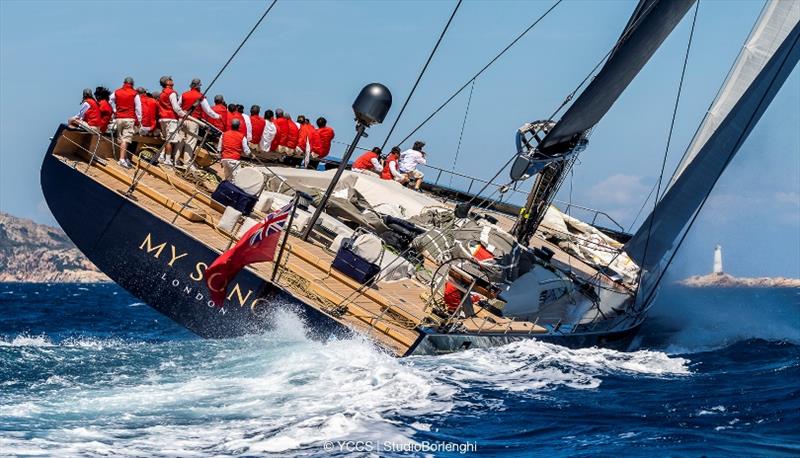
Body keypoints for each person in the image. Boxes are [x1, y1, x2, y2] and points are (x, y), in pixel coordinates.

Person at [179, 78, 221, 165]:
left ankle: (175, 159)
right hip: (193, 121)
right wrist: (218, 116)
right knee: (190, 141)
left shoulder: (184, 94)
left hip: (182, 119)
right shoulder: (200, 96)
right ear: (198, 87)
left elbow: (178, 106)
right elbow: (208, 111)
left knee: (180, 140)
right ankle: (187, 162)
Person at [110, 77, 142, 168]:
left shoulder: (117, 91)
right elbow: (138, 108)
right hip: (129, 118)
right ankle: (122, 159)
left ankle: (124, 158)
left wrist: (115, 110)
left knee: (121, 139)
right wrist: (139, 119)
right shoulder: (134, 93)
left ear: (124, 82)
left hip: (119, 118)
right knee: (126, 139)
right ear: (132, 84)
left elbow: (110, 100)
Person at [156, 75, 187, 166]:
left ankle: (161, 156)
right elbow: (176, 107)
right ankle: (168, 159)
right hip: (170, 118)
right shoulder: (172, 93)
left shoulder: (162, 94)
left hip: (163, 118)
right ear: (167, 82)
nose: (172, 80)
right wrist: (184, 114)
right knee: (170, 140)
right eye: (170, 79)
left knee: (166, 139)